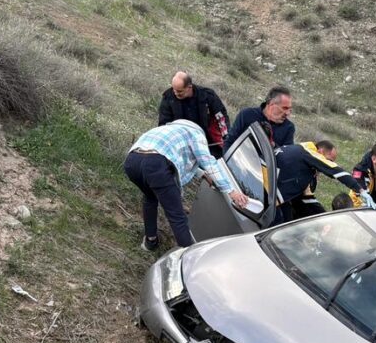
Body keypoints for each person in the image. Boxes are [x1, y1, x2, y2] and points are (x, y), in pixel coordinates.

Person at [123, 120, 248, 250]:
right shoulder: (196, 135)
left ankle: (150, 241)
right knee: (177, 216)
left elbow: (175, 158)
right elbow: (208, 161)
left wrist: (203, 174)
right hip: (155, 166)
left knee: (150, 198)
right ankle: (188, 256)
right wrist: (231, 191)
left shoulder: (169, 130)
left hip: (132, 162)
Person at [274, 139, 374, 222]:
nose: (328, 163)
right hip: (269, 198)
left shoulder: (301, 161)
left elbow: (306, 199)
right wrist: (360, 190)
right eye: (329, 160)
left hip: (275, 196)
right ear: (321, 152)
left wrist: (324, 216)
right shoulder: (308, 152)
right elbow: (334, 170)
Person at [157, 71, 230, 157]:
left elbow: (221, 116)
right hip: (181, 142)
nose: (175, 93)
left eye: (179, 91)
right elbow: (164, 124)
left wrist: (226, 137)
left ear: (189, 87)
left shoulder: (206, 96)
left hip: (207, 141)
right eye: (174, 89)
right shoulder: (168, 98)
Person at [226, 86, 295, 148]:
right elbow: (229, 141)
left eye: (289, 109)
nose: (288, 113)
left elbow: (286, 157)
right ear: (271, 104)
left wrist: (272, 145)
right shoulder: (247, 114)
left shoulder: (288, 128)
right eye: (284, 108)